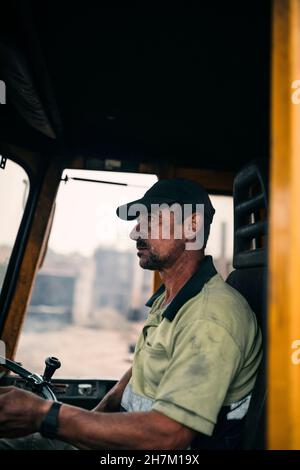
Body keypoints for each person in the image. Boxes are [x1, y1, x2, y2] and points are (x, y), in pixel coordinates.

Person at [0, 178, 262, 450]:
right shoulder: (170, 296)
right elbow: (140, 369)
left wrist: (43, 414)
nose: (135, 233)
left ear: (192, 226)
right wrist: (93, 421)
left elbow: (169, 436)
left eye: (150, 219)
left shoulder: (209, 318)